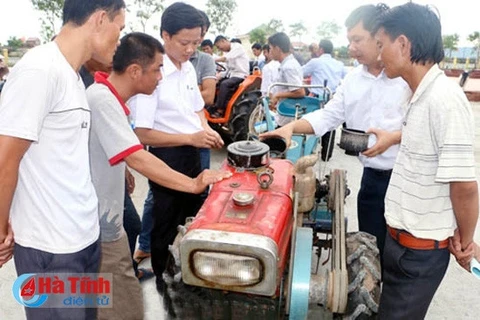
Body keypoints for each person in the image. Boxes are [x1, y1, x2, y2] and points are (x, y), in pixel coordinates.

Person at [87, 32, 229, 320]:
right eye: (156, 70)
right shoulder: (102, 99)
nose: (161, 78)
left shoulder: (109, 98)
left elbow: (114, 148)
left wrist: (121, 168)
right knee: (121, 301)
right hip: (97, 221)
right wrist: (193, 183)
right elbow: (139, 154)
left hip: (107, 212)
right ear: (135, 71)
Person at [0, 1, 126, 319]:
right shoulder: (39, 70)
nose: (120, 41)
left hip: (82, 239)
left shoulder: (70, 75)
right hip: (52, 251)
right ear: (100, 19)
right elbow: (5, 159)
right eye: (120, 29)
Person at [260, 4, 411, 265]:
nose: (351, 47)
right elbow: (328, 115)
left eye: (357, 39)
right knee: (372, 254)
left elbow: (426, 126)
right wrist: (290, 127)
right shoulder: (353, 79)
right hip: (373, 181)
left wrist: (395, 137)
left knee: (403, 258)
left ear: (381, 38)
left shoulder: (409, 78)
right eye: (349, 40)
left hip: (408, 181)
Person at [374, 3, 478, 319]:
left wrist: (466, 238)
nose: (379, 56)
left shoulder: (444, 100)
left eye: (381, 45)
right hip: (399, 244)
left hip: (418, 256)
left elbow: (464, 185)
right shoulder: (419, 94)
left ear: (403, 44)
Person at [128, 2, 224, 292]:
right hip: (167, 156)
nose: (191, 49)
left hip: (193, 152)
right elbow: (142, 134)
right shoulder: (152, 75)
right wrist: (190, 138)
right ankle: (163, 278)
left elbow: (196, 110)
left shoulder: (187, 70)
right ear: (165, 35)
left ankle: (191, 273)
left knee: (194, 217)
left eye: (196, 42)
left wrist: (206, 130)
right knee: (166, 222)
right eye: (185, 42)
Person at [302, 39, 347, 161]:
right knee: (330, 126)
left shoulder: (316, 62)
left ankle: (309, 153)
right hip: (332, 97)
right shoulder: (339, 64)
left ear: (321, 49)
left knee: (313, 123)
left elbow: (301, 72)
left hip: (317, 98)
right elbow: (347, 77)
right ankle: (326, 155)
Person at [267, 32, 306, 127]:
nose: (270, 52)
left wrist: (278, 95)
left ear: (277, 49)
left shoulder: (289, 66)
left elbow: (300, 92)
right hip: (284, 113)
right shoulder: (286, 64)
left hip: (288, 117)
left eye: (271, 48)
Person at [211, 35, 250, 118]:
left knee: (225, 84)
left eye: (218, 46)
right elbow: (226, 68)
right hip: (231, 75)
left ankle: (220, 109)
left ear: (223, 41)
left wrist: (212, 60)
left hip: (241, 75)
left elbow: (226, 58)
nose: (219, 49)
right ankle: (211, 104)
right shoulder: (226, 53)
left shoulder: (237, 47)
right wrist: (217, 78)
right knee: (215, 83)